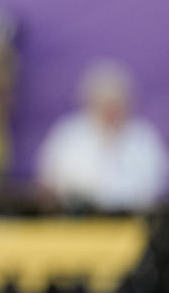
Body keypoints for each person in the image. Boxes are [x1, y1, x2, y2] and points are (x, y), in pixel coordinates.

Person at [36, 59, 168, 213]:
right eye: (105, 103)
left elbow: (157, 183)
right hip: (78, 222)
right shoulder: (68, 136)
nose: (110, 111)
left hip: (134, 219)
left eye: (116, 104)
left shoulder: (144, 138)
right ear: (90, 102)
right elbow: (48, 181)